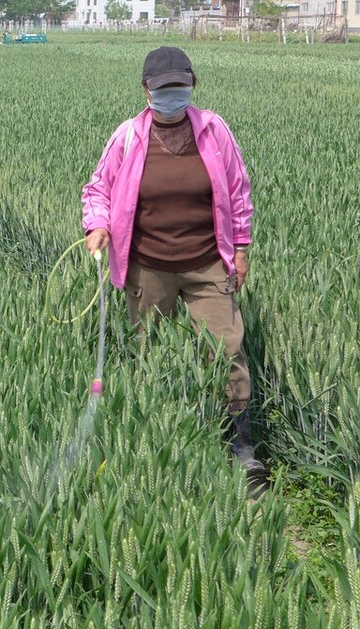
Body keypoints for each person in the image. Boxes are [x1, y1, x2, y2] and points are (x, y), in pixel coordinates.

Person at [81, 46, 265, 494]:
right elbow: (97, 189)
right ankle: (163, 439)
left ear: (192, 84)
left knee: (226, 349)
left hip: (206, 263)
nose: (172, 96)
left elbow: (238, 191)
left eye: (179, 87)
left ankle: (240, 447)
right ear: (146, 90)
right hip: (149, 266)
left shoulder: (213, 130)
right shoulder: (128, 137)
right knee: (149, 350)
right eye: (163, 89)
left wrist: (240, 249)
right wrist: (98, 226)